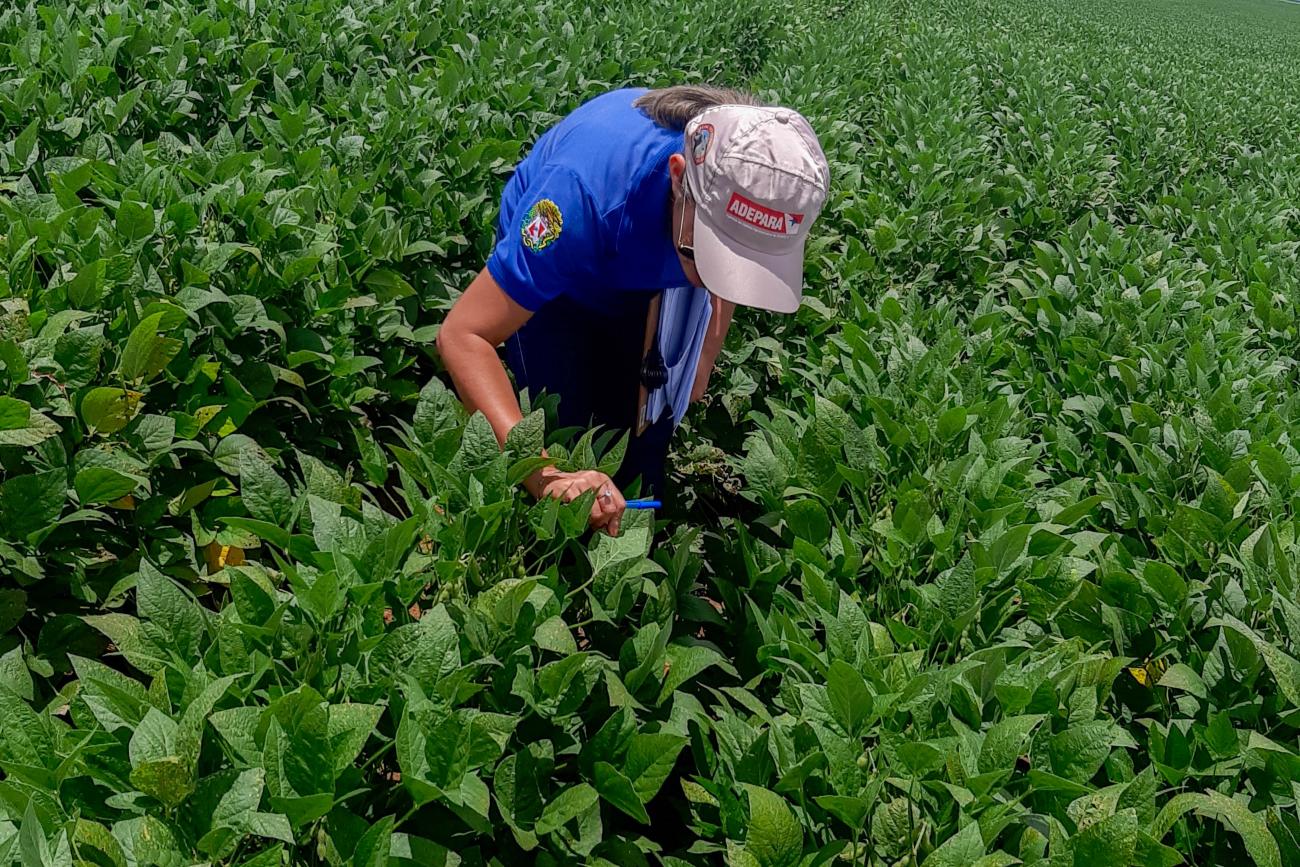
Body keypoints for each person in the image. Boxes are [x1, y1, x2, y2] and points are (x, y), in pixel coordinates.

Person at [436, 85, 829, 536]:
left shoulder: (744, 190)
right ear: (679, 177)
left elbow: (733, 262)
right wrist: (549, 480)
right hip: (561, 283)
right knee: (565, 431)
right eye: (707, 253)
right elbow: (463, 337)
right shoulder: (578, 200)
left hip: (645, 269)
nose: (714, 276)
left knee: (644, 439)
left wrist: (705, 351)